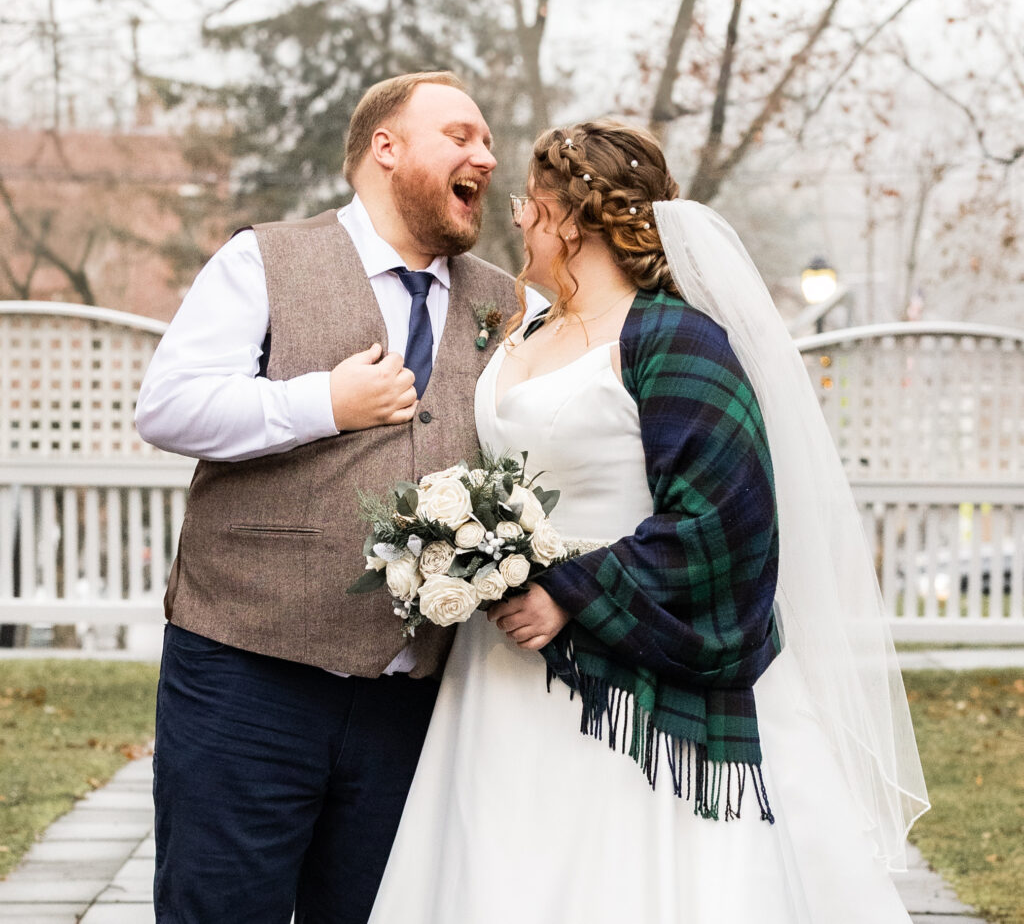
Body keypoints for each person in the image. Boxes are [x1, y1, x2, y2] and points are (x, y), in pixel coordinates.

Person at [367, 120, 930, 923]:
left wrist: (566, 592)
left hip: (632, 681)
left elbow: (724, 523)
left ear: (575, 217)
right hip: (496, 686)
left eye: (533, 202)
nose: (517, 217)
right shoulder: (528, 330)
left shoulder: (675, 338)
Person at [135, 71, 541, 923]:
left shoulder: (504, 302)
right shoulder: (265, 259)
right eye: (461, 136)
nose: (488, 158)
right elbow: (167, 406)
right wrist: (322, 403)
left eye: (489, 142)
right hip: (248, 676)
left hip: (415, 698)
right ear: (385, 149)